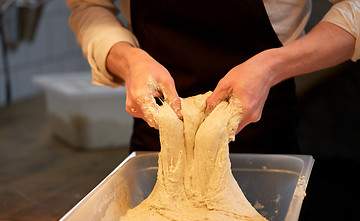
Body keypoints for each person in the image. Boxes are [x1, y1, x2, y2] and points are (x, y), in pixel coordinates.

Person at [67, 0, 359, 153]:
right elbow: (89, 6)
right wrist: (129, 60)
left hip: (262, 132)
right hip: (157, 133)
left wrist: (274, 65)